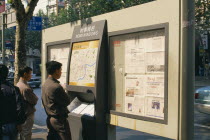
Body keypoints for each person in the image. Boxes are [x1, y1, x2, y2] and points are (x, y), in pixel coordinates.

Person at [42, 61, 71, 140]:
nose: (61, 72)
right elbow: (67, 101)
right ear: (56, 71)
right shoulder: (56, 86)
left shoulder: (46, 83)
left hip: (50, 119)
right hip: (59, 120)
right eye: (60, 70)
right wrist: (64, 89)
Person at [0, 64, 26, 140]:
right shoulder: (13, 89)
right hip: (11, 124)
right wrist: (19, 123)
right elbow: (20, 107)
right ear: (7, 74)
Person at [17, 66, 38, 140]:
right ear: (25, 74)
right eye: (30, 73)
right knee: (27, 134)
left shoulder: (18, 84)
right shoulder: (25, 88)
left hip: (21, 114)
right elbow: (34, 100)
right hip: (27, 114)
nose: (31, 75)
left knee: (23, 133)